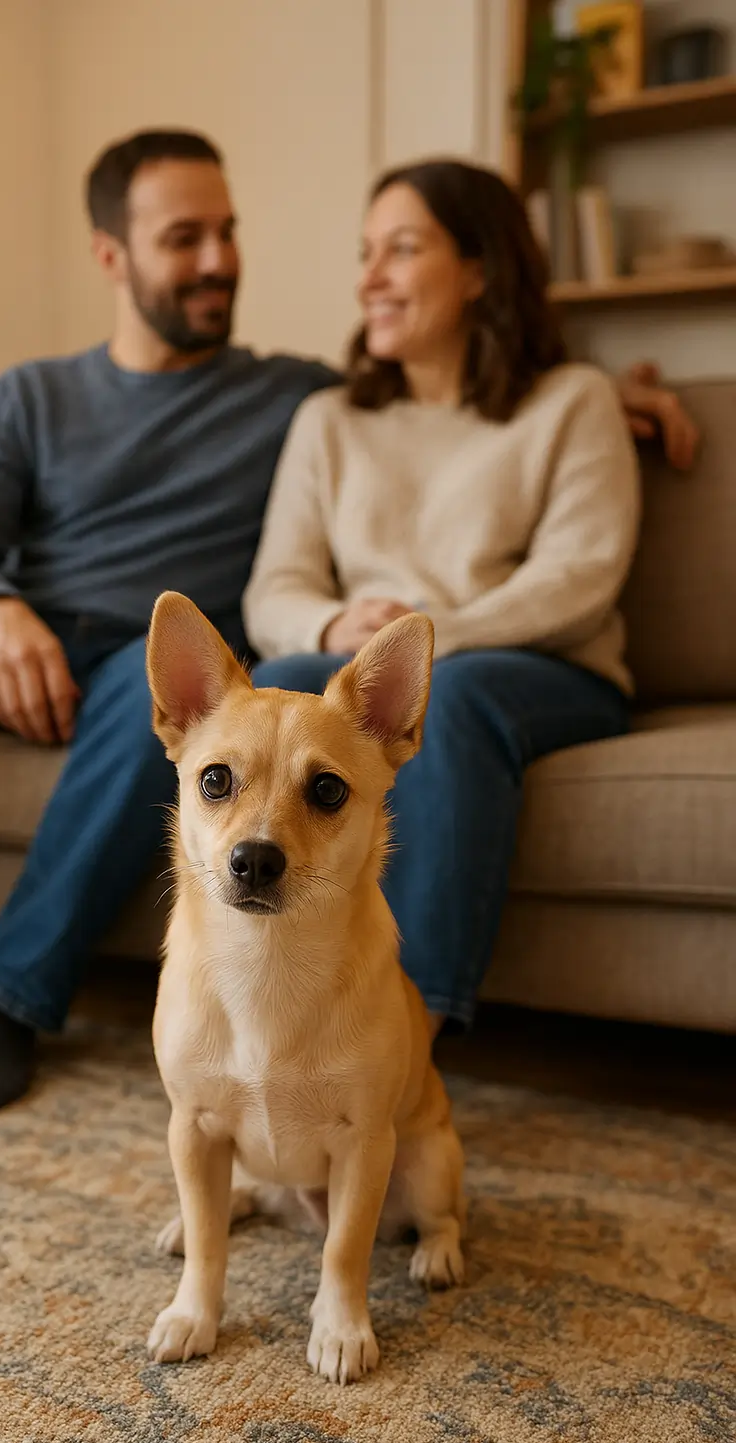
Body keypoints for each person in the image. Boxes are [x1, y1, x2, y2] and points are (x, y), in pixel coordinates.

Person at [0, 131, 697, 1113]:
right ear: (111, 255)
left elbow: (457, 390)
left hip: (136, 666)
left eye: (226, 233)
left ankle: (10, 996)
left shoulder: (284, 395)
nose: (219, 260)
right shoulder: (34, 396)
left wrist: (614, 393)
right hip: (12, 639)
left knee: (164, 704)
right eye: (184, 238)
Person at [244, 157, 690, 1040]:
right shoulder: (328, 421)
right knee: (282, 681)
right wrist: (337, 628)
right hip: (363, 671)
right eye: (366, 252)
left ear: (480, 269)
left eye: (401, 250)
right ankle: (266, 1012)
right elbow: (277, 585)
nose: (369, 278)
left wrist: (420, 645)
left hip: (536, 672)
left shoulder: (573, 402)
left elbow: (579, 575)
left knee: (456, 697)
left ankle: (409, 1031)